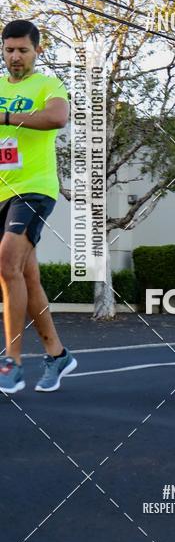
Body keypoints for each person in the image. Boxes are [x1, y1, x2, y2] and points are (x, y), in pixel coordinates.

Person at [0, 20, 76, 394]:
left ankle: (11, 362)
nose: (15, 57)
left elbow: (57, 117)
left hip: (34, 189)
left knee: (6, 260)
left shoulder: (48, 85)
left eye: (23, 50)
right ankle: (57, 353)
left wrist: (6, 117)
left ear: (37, 51)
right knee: (26, 276)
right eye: (10, 49)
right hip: (1, 190)